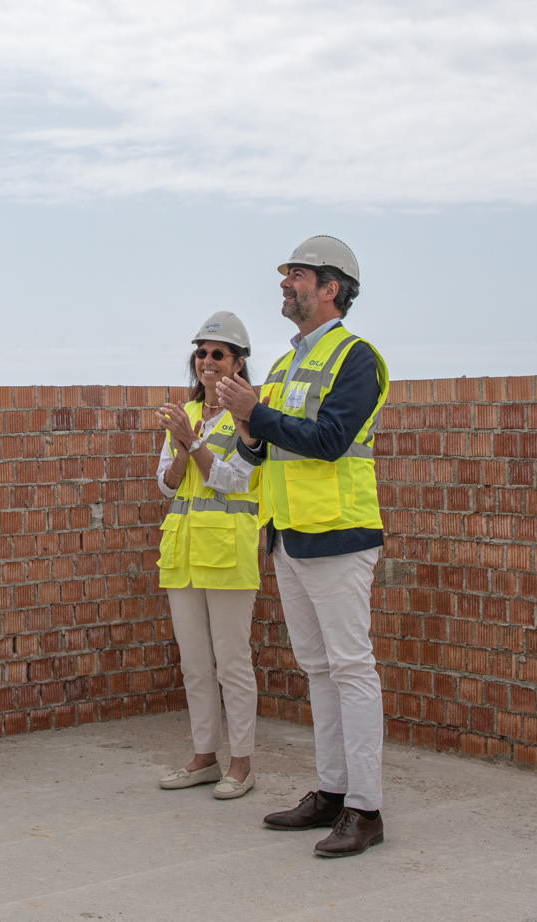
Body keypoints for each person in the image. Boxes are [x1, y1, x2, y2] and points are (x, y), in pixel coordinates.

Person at [215, 237, 390, 858]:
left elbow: (331, 439)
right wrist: (247, 425)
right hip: (290, 537)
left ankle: (365, 808)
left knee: (351, 668)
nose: (286, 284)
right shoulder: (287, 364)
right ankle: (333, 793)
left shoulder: (357, 358)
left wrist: (255, 416)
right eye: (286, 275)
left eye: (298, 275)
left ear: (330, 289)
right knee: (318, 669)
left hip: (339, 536)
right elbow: (268, 447)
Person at [151, 311, 265, 801]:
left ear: (238, 363)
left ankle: (241, 764)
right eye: (201, 353)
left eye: (218, 354)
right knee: (195, 663)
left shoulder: (250, 416)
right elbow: (167, 482)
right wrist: (182, 444)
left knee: (232, 662)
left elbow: (236, 478)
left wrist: (192, 441)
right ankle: (203, 757)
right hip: (183, 552)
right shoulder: (186, 414)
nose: (207, 361)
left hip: (227, 553)